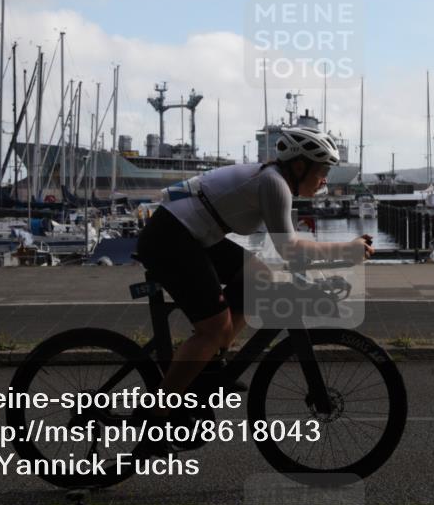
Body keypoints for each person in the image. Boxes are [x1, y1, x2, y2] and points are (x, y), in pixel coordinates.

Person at [134, 126, 374, 405]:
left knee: (258, 279)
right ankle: (158, 413)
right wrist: (346, 249)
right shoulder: (273, 184)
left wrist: (319, 273)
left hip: (192, 234)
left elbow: (287, 249)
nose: (324, 181)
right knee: (214, 329)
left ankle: (208, 366)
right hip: (170, 237)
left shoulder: (273, 179)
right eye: (322, 172)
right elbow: (290, 249)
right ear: (299, 166)